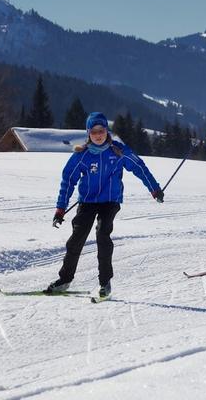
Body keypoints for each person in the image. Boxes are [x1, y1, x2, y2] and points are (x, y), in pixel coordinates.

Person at [48, 112, 164, 299]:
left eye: (101, 130)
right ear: (88, 134)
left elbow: (139, 167)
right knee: (76, 238)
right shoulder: (82, 155)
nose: (98, 134)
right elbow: (68, 180)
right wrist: (60, 209)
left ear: (106, 131)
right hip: (87, 201)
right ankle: (65, 280)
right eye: (93, 131)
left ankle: (105, 283)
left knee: (102, 234)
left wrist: (154, 189)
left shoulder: (118, 151)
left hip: (110, 201)